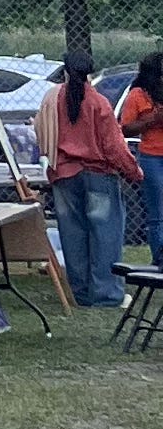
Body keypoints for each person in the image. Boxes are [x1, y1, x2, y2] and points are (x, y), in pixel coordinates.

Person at [36, 58, 135, 306]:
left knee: (72, 235)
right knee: (105, 235)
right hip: (98, 175)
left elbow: (39, 130)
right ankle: (106, 294)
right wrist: (133, 172)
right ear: (90, 74)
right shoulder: (98, 102)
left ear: (65, 73)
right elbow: (113, 146)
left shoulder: (52, 99)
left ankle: (79, 292)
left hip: (64, 175)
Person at [116, 52, 163, 270]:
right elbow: (126, 128)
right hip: (152, 157)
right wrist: (153, 119)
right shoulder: (137, 95)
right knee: (157, 211)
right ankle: (160, 258)